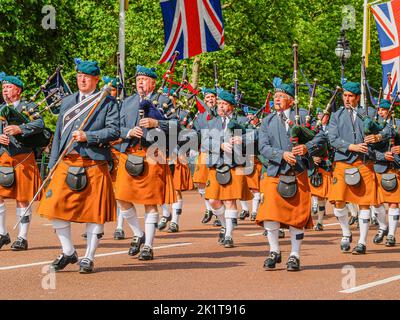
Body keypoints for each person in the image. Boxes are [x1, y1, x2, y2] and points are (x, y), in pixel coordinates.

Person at [37, 59, 120, 273]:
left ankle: (88, 257)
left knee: (94, 213)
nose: (81, 80)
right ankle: (68, 252)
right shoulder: (68, 102)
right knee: (52, 207)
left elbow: (114, 131)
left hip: (94, 161)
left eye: (86, 77)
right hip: (67, 161)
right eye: (79, 76)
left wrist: (88, 136)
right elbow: (58, 136)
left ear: (96, 80)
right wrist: (53, 164)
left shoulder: (107, 102)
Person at [256, 82, 326, 271]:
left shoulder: (303, 117)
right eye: (276, 96)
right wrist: (281, 155)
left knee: (297, 217)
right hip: (275, 173)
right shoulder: (267, 121)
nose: (277, 99)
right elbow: (262, 147)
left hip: (299, 172)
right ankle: (274, 251)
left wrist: (306, 148)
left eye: (282, 96)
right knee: (270, 214)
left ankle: (294, 255)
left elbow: (321, 138)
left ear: (291, 100)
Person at [114, 65, 176, 260]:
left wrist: (157, 123)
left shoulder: (164, 102)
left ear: (153, 82)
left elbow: (177, 126)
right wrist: (128, 132)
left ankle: (148, 245)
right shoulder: (127, 102)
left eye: (145, 79)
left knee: (150, 202)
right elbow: (116, 126)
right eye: (138, 79)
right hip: (129, 153)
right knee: (122, 198)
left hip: (153, 154)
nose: (140, 82)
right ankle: (138, 233)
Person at [327, 81, 386, 254]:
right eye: (344, 96)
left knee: (364, 203)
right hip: (342, 162)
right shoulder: (336, 116)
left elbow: (386, 130)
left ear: (357, 98)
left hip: (364, 163)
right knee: (338, 201)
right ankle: (346, 233)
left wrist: (377, 137)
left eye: (350, 96)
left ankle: (362, 242)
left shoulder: (368, 113)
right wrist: (351, 146)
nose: (347, 99)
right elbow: (332, 139)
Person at [203, 90, 253, 248]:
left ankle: (229, 235)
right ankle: (225, 225)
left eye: (224, 104)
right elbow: (204, 142)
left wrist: (242, 140)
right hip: (216, 164)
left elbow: (253, 138)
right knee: (213, 200)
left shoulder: (242, 121)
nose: (220, 107)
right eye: (219, 104)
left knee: (230, 201)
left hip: (234, 164)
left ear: (231, 106)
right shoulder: (212, 122)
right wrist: (220, 145)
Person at [0, 74, 44, 251]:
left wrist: (20, 128)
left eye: (8, 87)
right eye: (3, 88)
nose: (5, 91)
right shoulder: (1, 108)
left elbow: (40, 124)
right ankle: (2, 234)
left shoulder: (29, 107)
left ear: (18, 90)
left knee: (22, 198)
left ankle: (22, 237)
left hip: (23, 157)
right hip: (4, 157)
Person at [372, 99, 399, 246]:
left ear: (389, 110)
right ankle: (383, 227)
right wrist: (382, 155)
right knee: (376, 203)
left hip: (394, 167)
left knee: (393, 202)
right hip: (378, 166)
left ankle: (391, 235)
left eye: (383, 109)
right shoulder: (374, 125)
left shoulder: (398, 123)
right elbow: (369, 147)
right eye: (379, 110)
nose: (380, 112)